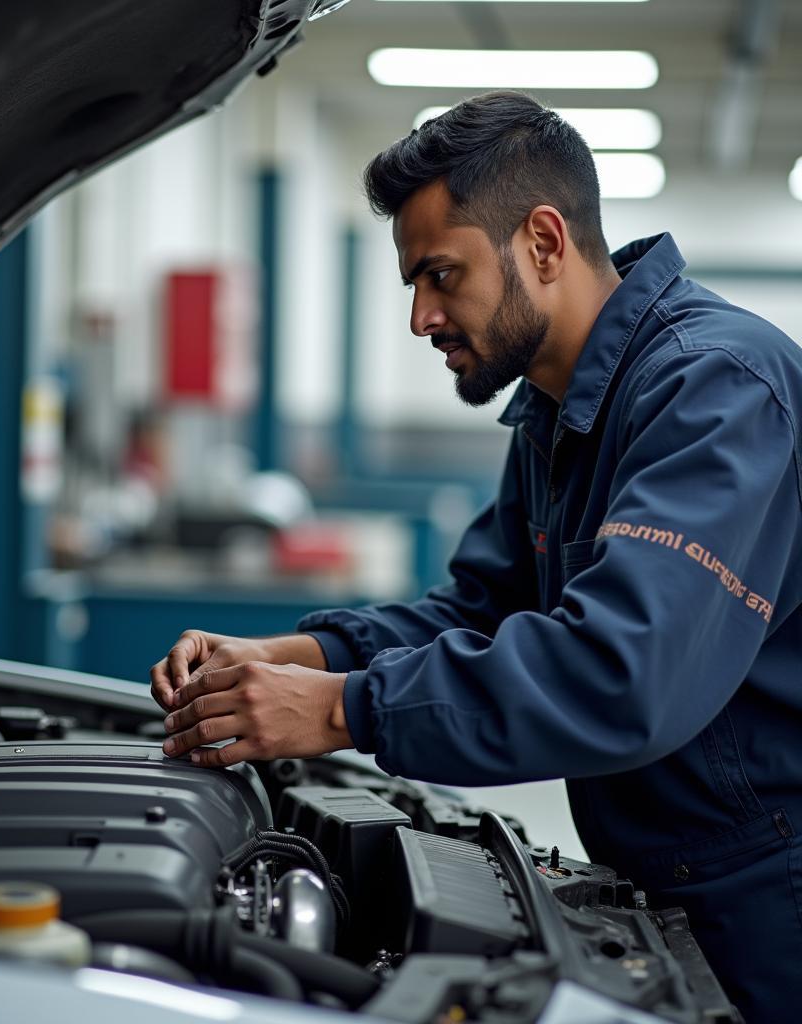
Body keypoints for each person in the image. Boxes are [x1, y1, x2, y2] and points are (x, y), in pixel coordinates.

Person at [149, 91, 802, 1020]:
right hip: (668, 878)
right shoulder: (554, 406)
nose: (421, 318)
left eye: (442, 276)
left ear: (542, 241)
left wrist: (341, 709)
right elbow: (480, 611)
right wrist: (296, 658)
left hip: (769, 897)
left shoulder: (716, 388)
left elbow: (621, 672)